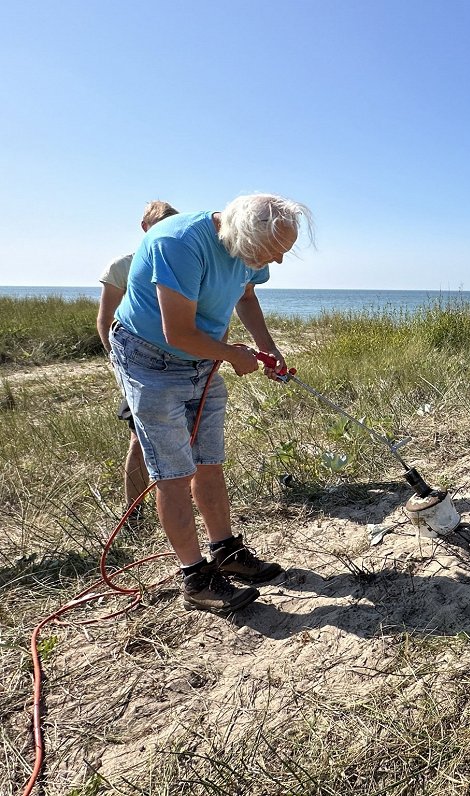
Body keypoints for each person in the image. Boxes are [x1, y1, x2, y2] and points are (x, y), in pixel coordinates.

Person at [108, 193, 312, 613]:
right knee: (173, 472)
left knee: (208, 461)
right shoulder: (178, 243)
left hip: (202, 359)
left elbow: (247, 298)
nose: (275, 263)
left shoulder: (248, 251)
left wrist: (268, 350)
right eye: (272, 252)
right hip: (150, 359)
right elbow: (177, 333)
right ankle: (195, 577)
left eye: (282, 252)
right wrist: (233, 355)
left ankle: (226, 552)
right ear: (240, 235)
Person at [97, 200, 180, 520]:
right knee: (139, 440)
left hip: (182, 365)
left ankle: (179, 507)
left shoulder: (183, 264)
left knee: (185, 440)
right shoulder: (122, 267)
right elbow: (105, 320)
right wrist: (121, 365)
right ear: (145, 228)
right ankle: (133, 513)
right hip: (137, 366)